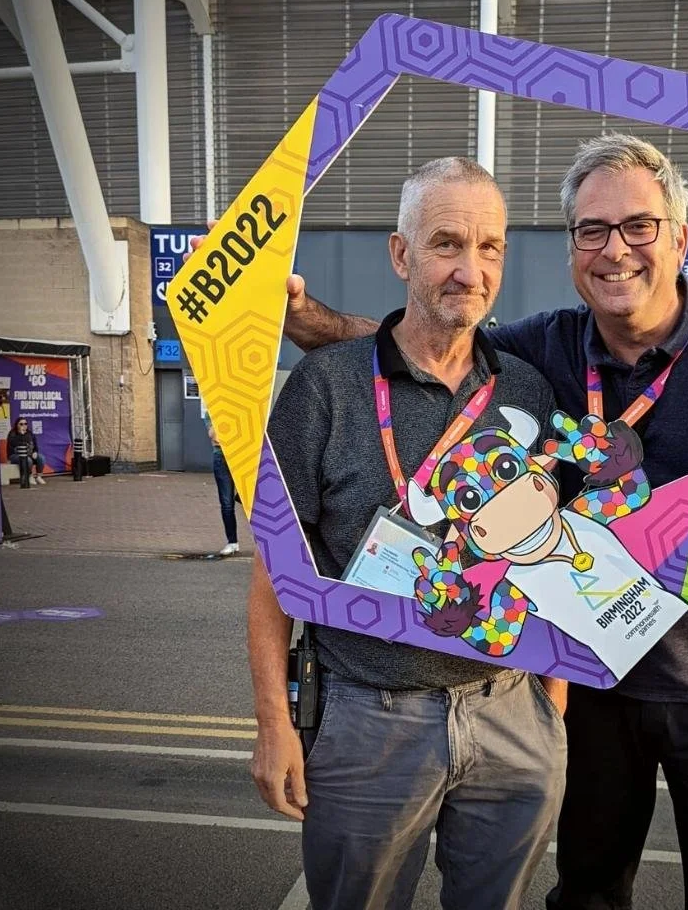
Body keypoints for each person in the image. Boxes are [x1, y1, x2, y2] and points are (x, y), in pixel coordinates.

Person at [280, 133, 688, 910]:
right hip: (599, 683)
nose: (616, 250)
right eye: (592, 230)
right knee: (588, 896)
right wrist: (299, 316)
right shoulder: (547, 347)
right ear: (573, 248)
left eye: (639, 226)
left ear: (680, 238)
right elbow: (429, 340)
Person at [252, 157, 568, 910]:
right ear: (401, 254)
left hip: (510, 710)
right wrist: (273, 724)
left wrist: (550, 705)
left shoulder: (527, 389)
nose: (470, 270)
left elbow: (550, 550)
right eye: (446, 243)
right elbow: (271, 572)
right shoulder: (326, 386)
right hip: (369, 717)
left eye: (489, 248)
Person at [204, 410, 239, 556]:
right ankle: (232, 542)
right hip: (221, 458)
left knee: (252, 504)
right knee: (227, 503)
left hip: (242, 457)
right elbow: (214, 437)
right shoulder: (211, 412)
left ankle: (261, 544)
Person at [6, 417, 45, 488]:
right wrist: (21, 434)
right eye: (21, 424)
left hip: (28, 453)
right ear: (17, 425)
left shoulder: (30, 433)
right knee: (28, 460)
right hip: (15, 455)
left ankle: (39, 476)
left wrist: (35, 452)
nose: (24, 425)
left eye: (25, 424)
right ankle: (29, 476)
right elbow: (16, 444)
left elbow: (35, 445)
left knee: (41, 458)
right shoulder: (12, 434)